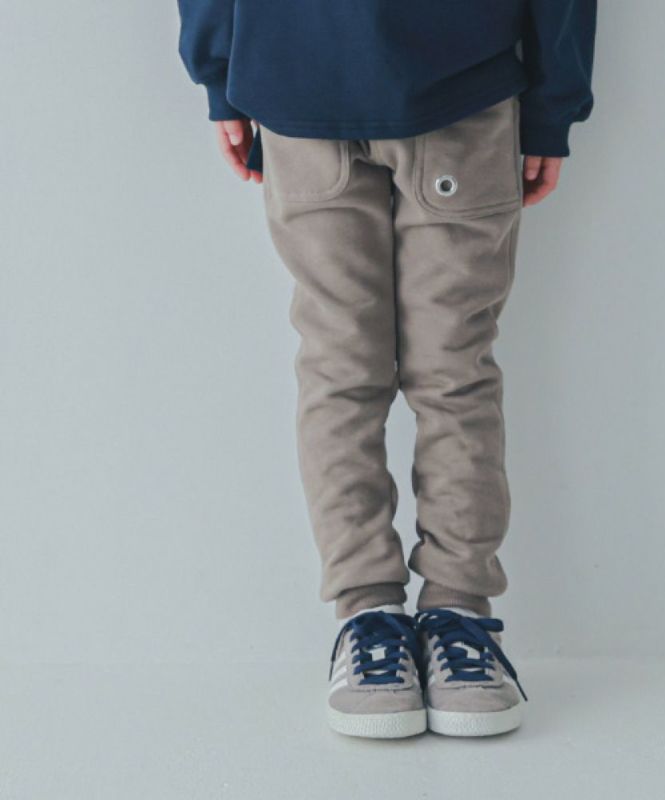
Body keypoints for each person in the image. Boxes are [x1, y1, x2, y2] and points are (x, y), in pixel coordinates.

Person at [177, 0, 596, 739]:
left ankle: (451, 613)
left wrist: (220, 69)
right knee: (387, 369)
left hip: (432, 85)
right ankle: (373, 614)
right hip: (344, 84)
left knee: (412, 368)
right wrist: (221, 73)